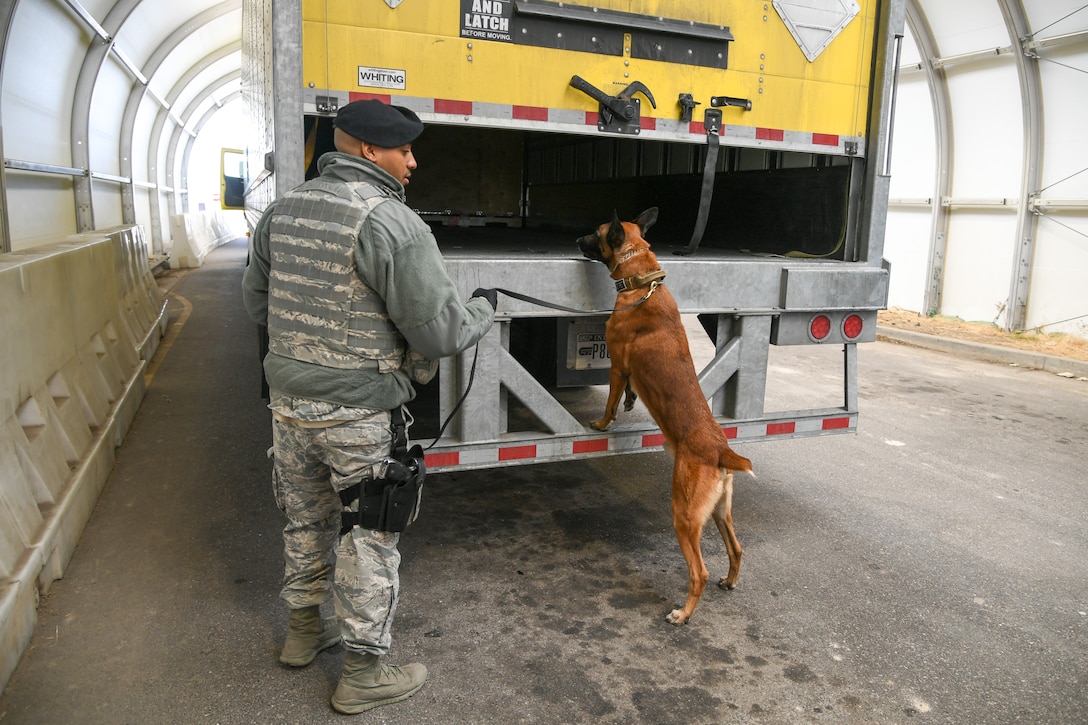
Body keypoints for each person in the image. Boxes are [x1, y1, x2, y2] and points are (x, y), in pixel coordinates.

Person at [242, 98, 496, 714]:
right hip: (357, 412)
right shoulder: (391, 223)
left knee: (305, 518)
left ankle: (304, 633)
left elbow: (257, 303)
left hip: (289, 407)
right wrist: (481, 312)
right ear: (365, 149)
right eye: (403, 150)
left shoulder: (281, 211)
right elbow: (437, 334)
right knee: (369, 533)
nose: (412, 161)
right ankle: (362, 671)